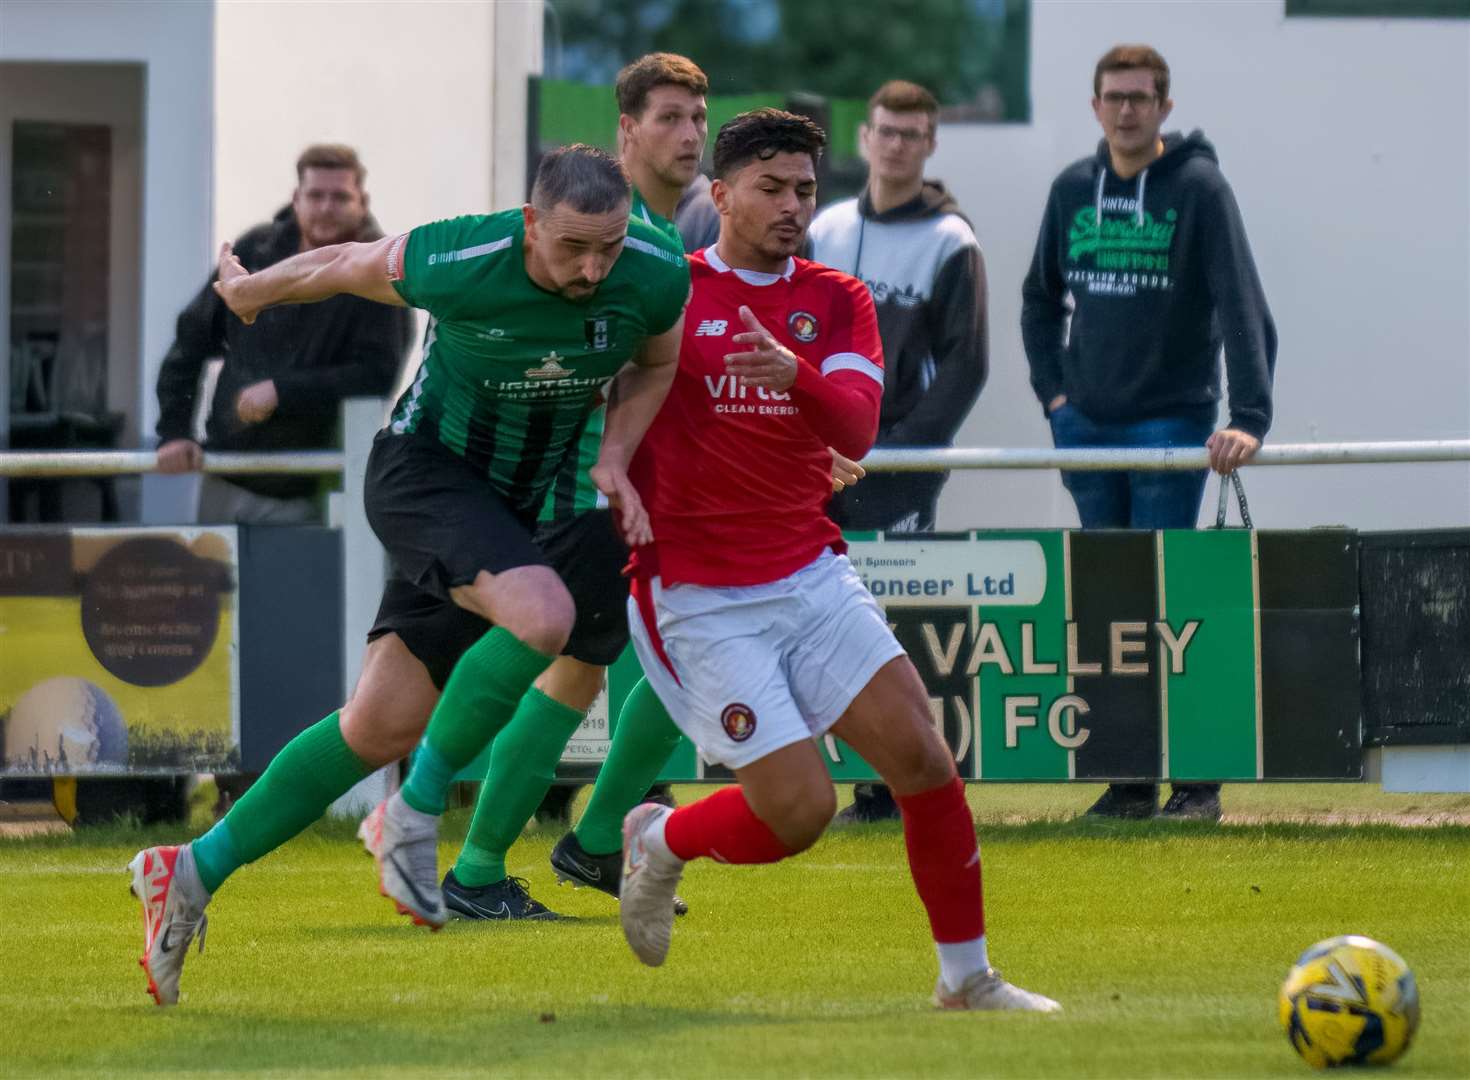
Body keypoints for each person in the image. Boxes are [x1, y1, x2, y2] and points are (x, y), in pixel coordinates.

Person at [126, 144, 689, 1006]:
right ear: (530, 223)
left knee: (376, 726)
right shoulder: (461, 255)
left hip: (510, 505)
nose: (591, 268)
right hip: (421, 474)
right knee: (545, 616)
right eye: (573, 246)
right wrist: (251, 291)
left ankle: (191, 869)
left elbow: (657, 363)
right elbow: (345, 263)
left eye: (606, 248)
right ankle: (413, 812)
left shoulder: (652, 271)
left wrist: (613, 456)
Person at [613, 108, 1059, 1013]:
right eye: (770, 189)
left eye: (806, 191)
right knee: (801, 814)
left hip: (811, 571)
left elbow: (856, 425)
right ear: (721, 194)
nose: (791, 207)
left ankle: (967, 977)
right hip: (697, 592)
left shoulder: (836, 298)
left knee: (927, 761)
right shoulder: (667, 291)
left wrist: (794, 375)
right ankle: (661, 838)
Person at [437, 52, 712, 918]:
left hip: (642, 490)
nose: (690, 135)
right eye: (670, 117)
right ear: (625, 129)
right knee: (608, 670)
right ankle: (494, 853)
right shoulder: (582, 240)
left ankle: (560, 850)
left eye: (698, 119)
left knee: (609, 675)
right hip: (575, 487)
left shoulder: (682, 235)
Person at [1021, 44, 1276, 822]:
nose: (1126, 110)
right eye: (1113, 97)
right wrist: (1056, 401)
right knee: (1109, 611)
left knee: (1172, 606)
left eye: (1140, 97)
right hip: (1088, 429)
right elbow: (1038, 303)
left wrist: (1249, 418)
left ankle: (1195, 782)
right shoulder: (1073, 189)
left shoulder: (1200, 188)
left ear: (1165, 107)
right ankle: (1129, 778)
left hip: (1173, 421)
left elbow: (1244, 309)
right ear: (1095, 105)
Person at [808, 79, 988, 825]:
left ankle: (903, 787)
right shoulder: (824, 228)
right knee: (833, 621)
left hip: (898, 474)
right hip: (819, 468)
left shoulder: (953, 241)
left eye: (912, 134)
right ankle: (861, 783)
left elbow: (965, 366)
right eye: (885, 130)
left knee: (900, 626)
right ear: (863, 138)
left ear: (931, 144)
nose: (896, 144)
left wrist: (900, 455)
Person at [154, 144, 413, 524]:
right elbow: (190, 338)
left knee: (296, 584)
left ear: (362, 202)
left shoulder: (379, 273)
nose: (326, 207)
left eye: (340, 197)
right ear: (296, 199)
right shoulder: (256, 251)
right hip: (226, 473)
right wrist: (174, 430)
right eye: (316, 195)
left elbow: (376, 375)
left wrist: (283, 391)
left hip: (309, 486)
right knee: (217, 583)